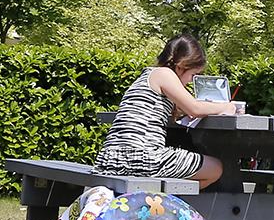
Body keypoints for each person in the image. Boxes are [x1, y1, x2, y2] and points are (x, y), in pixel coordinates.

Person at [96, 34, 242, 188]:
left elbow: (187, 109)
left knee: (201, 169)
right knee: (215, 168)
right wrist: (227, 107)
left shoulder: (148, 75)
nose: (191, 81)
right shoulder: (165, 74)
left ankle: (161, 202)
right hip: (141, 157)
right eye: (193, 75)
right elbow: (195, 108)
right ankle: (168, 205)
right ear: (180, 66)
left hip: (112, 158)